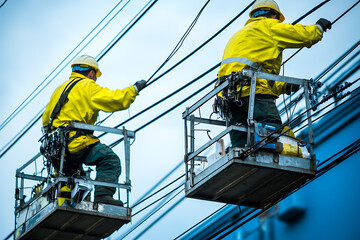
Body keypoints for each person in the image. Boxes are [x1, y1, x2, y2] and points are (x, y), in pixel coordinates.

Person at [217, 0, 331, 148]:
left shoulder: (238, 35)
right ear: (274, 16)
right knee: (271, 127)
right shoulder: (268, 27)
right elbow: (302, 35)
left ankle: (242, 155)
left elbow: (259, 73)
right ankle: (268, 150)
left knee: (241, 143)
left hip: (227, 96)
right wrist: (319, 28)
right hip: (252, 91)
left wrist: (283, 86)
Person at [42, 55, 146, 206]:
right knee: (109, 160)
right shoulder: (87, 86)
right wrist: (134, 89)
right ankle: (103, 196)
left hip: (56, 149)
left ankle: (63, 199)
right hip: (75, 143)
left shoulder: (59, 90)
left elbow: (46, 120)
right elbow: (115, 99)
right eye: (95, 76)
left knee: (72, 176)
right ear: (91, 73)